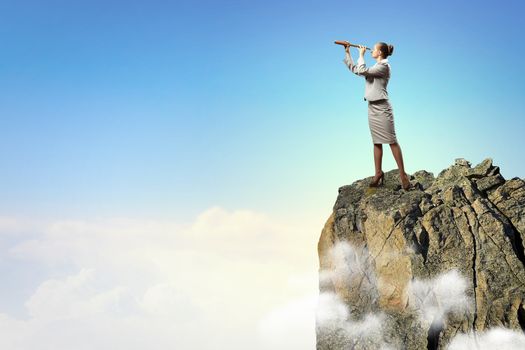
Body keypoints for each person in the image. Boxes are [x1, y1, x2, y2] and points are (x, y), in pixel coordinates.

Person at [341, 41, 411, 190]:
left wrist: (360, 55)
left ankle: (403, 175)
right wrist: (348, 53)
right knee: (376, 142)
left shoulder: (384, 66)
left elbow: (361, 70)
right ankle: (378, 173)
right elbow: (356, 69)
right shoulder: (375, 67)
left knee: (392, 141)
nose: (371, 50)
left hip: (383, 108)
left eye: (374, 49)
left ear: (379, 53)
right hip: (372, 107)